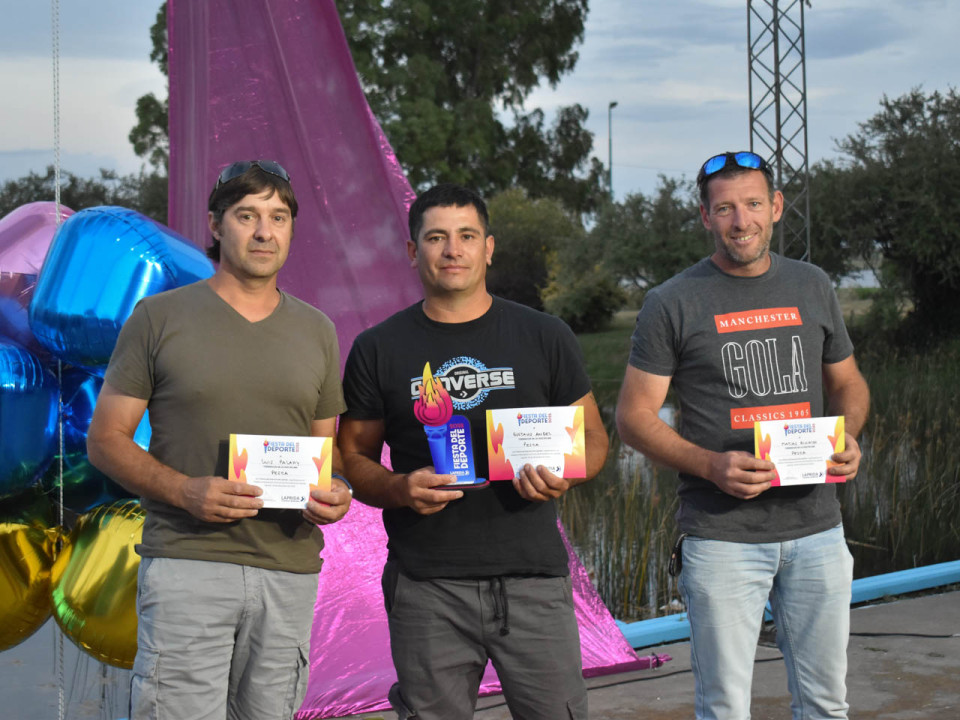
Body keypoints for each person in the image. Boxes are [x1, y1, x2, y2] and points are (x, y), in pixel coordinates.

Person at [87, 160, 352, 720]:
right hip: (188, 563)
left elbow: (325, 459)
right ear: (215, 224)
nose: (264, 232)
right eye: (247, 215)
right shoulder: (158, 318)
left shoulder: (318, 331)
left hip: (288, 572)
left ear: (291, 229)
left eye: (278, 217)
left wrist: (336, 494)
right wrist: (184, 491)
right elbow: (106, 440)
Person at [338, 183, 608, 720]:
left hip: (533, 581)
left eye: (466, 236)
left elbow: (595, 441)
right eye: (436, 237)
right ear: (413, 250)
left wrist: (566, 475)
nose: (452, 250)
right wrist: (398, 487)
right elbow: (350, 457)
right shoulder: (378, 347)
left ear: (488, 248)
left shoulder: (545, 335)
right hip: (426, 586)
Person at [616, 151, 870, 720]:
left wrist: (848, 435)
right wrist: (710, 465)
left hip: (818, 531)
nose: (741, 221)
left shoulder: (812, 284)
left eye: (753, 204)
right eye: (725, 208)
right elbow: (633, 417)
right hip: (721, 538)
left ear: (775, 207)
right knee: (725, 707)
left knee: (827, 704)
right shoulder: (671, 301)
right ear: (705, 216)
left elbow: (849, 383)